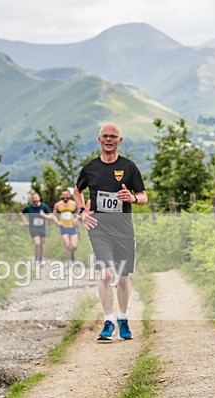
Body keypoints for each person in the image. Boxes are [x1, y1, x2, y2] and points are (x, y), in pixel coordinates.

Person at [74, 123, 147, 341]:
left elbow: (143, 197)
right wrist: (82, 212)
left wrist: (132, 198)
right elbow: (77, 191)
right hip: (99, 229)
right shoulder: (90, 168)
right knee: (106, 274)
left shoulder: (129, 167)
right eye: (105, 136)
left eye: (113, 136)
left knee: (122, 277)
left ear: (119, 141)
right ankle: (108, 321)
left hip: (123, 230)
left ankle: (123, 319)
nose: (108, 139)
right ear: (99, 140)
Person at [20, 191, 52, 263]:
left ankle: (41, 259)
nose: (35, 200)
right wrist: (25, 221)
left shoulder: (44, 207)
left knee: (42, 245)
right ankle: (36, 257)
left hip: (42, 228)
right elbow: (22, 213)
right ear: (31, 199)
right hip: (33, 227)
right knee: (37, 243)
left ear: (39, 198)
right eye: (33, 198)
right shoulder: (28, 208)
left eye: (36, 198)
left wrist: (44, 215)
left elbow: (50, 216)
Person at [52, 188, 79, 264]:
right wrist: (57, 222)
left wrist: (76, 219)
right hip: (63, 227)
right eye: (63, 195)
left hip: (72, 227)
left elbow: (80, 213)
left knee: (74, 246)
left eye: (66, 194)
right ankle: (69, 261)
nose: (65, 196)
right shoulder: (58, 205)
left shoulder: (74, 204)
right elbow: (53, 215)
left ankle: (72, 255)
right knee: (67, 245)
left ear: (69, 195)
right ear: (61, 195)